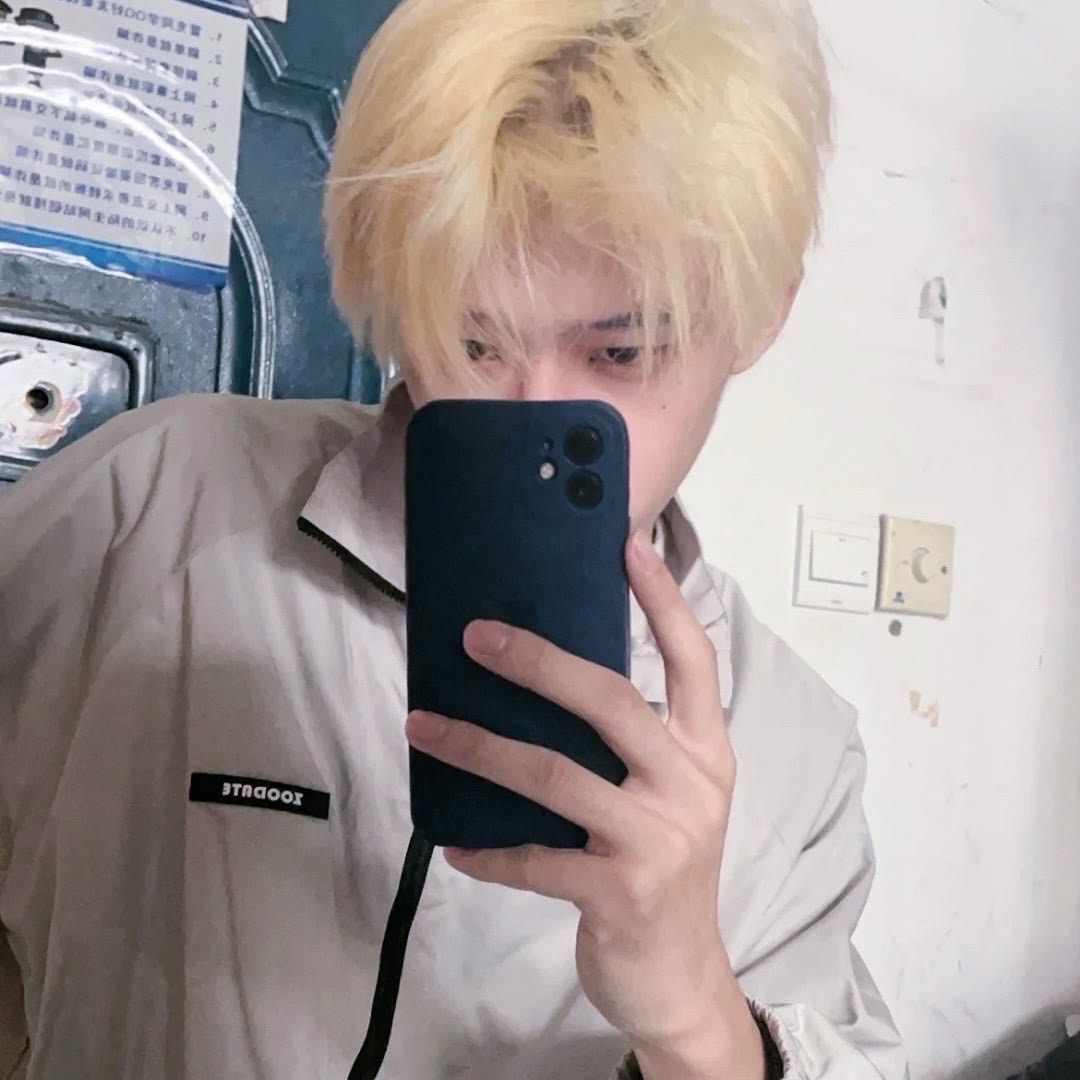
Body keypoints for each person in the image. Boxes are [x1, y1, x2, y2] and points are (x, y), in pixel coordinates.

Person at [0, 0, 909, 1077]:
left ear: (761, 315)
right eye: (471, 339)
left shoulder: (797, 754)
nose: (530, 408)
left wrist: (699, 1021)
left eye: (621, 353)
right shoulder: (149, 507)